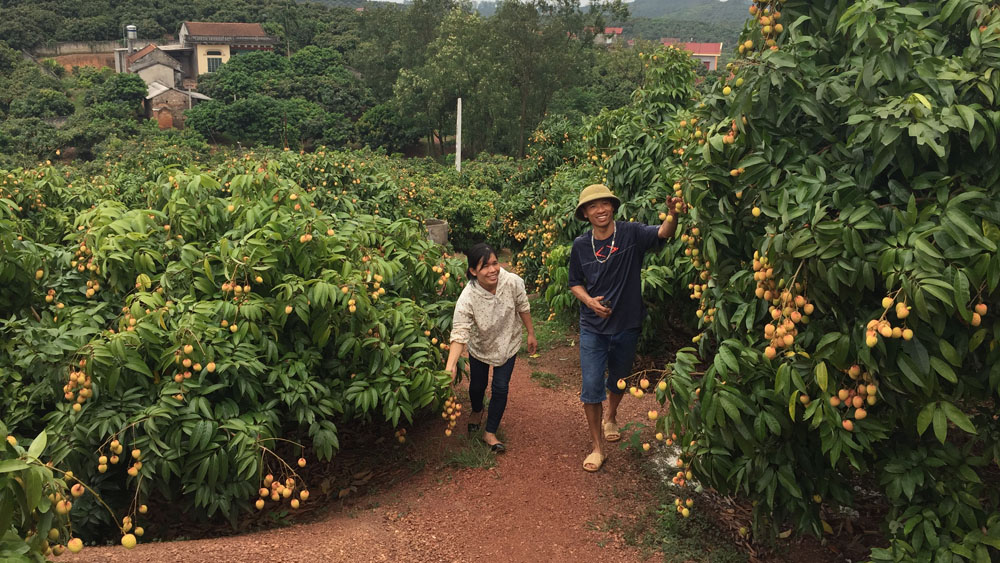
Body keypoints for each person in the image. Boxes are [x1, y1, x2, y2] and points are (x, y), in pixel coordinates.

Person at [568, 184, 678, 472]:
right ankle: (597, 447)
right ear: (585, 213)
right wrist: (590, 301)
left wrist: (673, 213)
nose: (600, 210)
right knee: (591, 387)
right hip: (593, 326)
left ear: (613, 207)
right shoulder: (581, 245)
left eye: (604, 204)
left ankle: (611, 416)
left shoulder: (631, 233)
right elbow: (574, 283)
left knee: (619, 379)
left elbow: (663, 233)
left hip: (627, 324)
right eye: (593, 206)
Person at [446, 243, 537, 452]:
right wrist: (451, 365)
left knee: (500, 387)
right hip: (481, 345)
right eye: (484, 266)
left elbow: (523, 306)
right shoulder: (467, 298)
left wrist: (531, 333)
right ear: (473, 271)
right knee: (477, 386)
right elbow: (459, 332)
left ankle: (490, 431)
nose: (492, 270)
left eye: (495, 263)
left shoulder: (512, 282)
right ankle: (477, 410)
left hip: (508, 342)